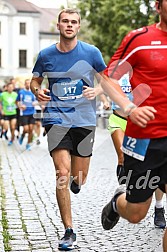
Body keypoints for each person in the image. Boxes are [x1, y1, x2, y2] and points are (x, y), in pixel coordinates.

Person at [29, 8, 148, 251]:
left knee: (78, 177)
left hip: (84, 120)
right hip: (56, 119)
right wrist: (36, 90)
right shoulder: (46, 55)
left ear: (79, 26)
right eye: (65, 21)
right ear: (59, 25)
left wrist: (98, 91)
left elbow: (107, 80)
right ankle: (68, 231)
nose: (69, 25)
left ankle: (77, 181)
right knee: (62, 173)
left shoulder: (91, 53)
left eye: (74, 22)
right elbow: (35, 80)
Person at [101, 0, 167, 251]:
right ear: (158, 6)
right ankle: (118, 202)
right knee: (136, 213)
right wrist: (129, 108)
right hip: (145, 141)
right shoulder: (140, 39)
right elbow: (108, 77)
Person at [16, 79, 36, 150]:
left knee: (31, 129)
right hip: (24, 113)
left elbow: (37, 101)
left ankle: (28, 144)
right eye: (27, 83)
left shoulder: (34, 92)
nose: (28, 85)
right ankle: (22, 135)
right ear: (25, 84)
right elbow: (17, 101)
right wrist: (20, 106)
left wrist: (35, 103)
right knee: (26, 129)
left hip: (32, 113)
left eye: (29, 83)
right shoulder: (21, 92)